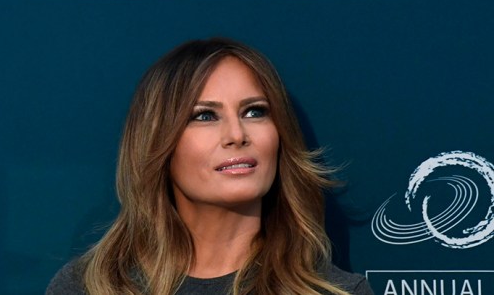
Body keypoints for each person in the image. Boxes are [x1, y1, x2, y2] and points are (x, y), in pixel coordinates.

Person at [46, 38, 374, 295]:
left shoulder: (338, 292)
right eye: (204, 116)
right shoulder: (87, 288)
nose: (236, 134)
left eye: (254, 111)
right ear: (159, 142)